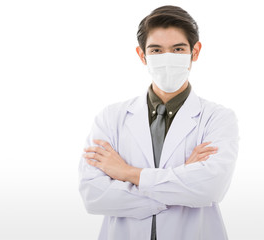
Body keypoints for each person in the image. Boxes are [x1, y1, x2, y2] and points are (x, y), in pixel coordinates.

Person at [78, 5, 239, 240]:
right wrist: (182, 180)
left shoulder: (218, 118)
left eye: (178, 49)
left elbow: (210, 188)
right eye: (156, 50)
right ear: (142, 55)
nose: (167, 58)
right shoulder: (110, 118)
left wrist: (126, 172)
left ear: (195, 52)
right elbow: (93, 196)